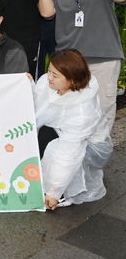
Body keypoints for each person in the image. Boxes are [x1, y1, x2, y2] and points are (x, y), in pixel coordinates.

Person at [34, 0, 126, 132]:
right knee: (70, 117)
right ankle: (74, 162)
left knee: (101, 116)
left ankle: (96, 163)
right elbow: (46, 13)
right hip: (69, 62)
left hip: (103, 56)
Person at [34, 49, 112, 210]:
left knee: (49, 141)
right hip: (59, 133)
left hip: (88, 147)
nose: (49, 77)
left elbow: (68, 152)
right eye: (49, 71)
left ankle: (62, 188)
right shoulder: (49, 82)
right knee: (41, 134)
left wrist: (54, 192)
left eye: (55, 75)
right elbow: (36, 101)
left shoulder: (83, 112)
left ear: (72, 81)